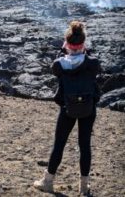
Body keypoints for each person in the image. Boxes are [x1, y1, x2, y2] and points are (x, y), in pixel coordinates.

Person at [34, 21, 100, 195]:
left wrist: (64, 51)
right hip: (88, 108)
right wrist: (84, 51)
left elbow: (58, 65)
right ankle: (84, 188)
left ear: (67, 44)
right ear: (83, 43)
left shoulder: (58, 65)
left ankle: (47, 182)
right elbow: (91, 64)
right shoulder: (92, 63)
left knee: (59, 144)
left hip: (67, 108)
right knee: (85, 145)